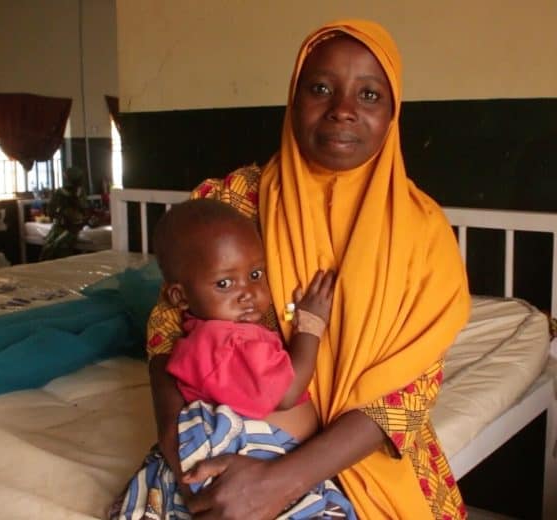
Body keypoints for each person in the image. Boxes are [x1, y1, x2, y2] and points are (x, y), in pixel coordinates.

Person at [146, 19, 470, 520]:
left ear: (393, 113)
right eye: (320, 88)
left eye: (369, 95)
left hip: (359, 452)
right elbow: (167, 333)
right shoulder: (229, 205)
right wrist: (177, 444)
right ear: (294, 98)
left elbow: (407, 394)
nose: (342, 109)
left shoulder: (424, 236)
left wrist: (280, 482)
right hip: (224, 445)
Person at [110, 198, 356, 519]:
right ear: (180, 297)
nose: (248, 293)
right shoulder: (226, 342)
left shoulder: (208, 336)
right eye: (224, 283)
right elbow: (288, 391)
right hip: (257, 454)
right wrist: (311, 325)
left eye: (256, 274)